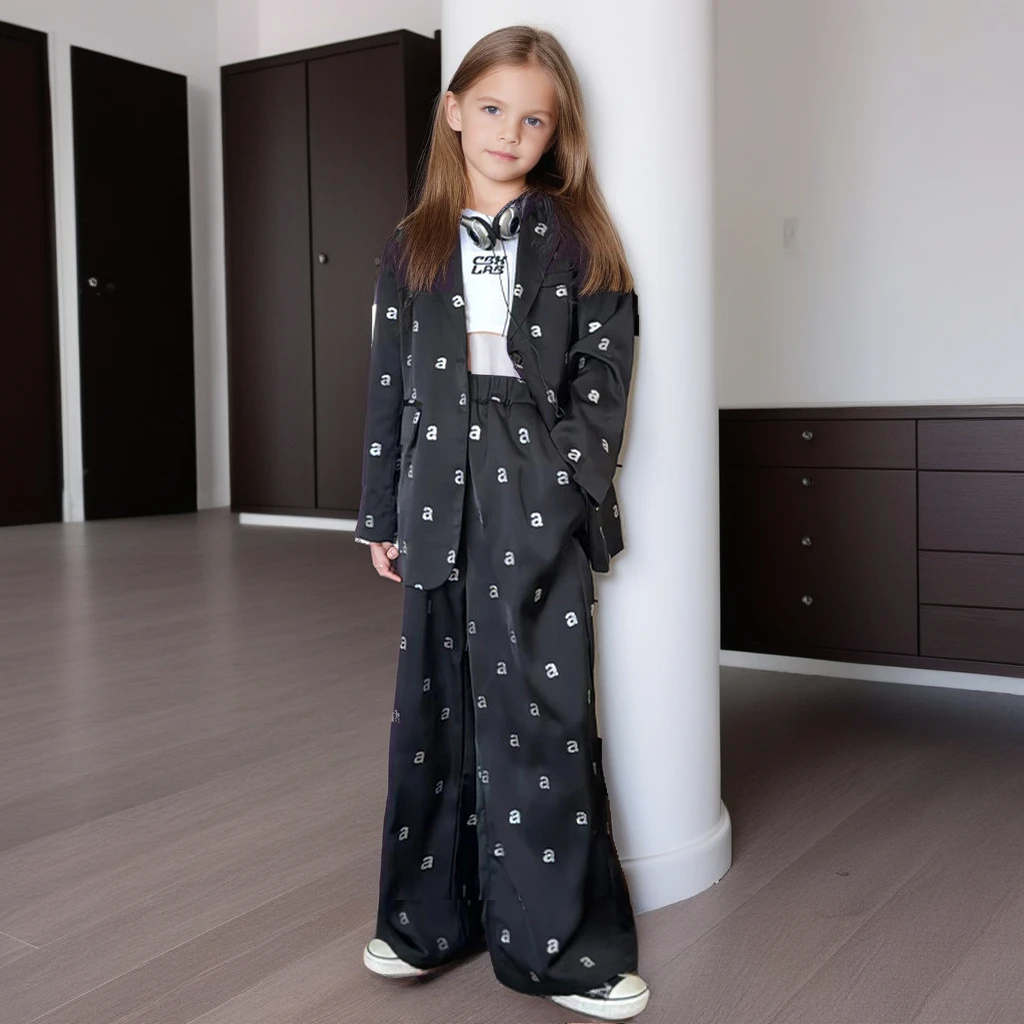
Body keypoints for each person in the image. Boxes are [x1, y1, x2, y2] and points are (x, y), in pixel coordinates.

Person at [354, 23, 648, 1022]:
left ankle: (563, 948)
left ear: (556, 134)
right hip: (435, 482)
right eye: (491, 108)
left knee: (542, 711)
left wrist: (564, 478)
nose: (509, 132)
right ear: (453, 110)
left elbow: (605, 374)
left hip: (532, 475)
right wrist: (381, 511)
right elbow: (388, 388)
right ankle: (427, 922)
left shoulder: (577, 238)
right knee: (433, 709)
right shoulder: (413, 244)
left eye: (533, 119)